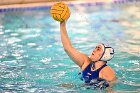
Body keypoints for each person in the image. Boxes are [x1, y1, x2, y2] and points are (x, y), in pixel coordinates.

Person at [60, 21, 117, 88]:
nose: (94, 50)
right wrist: (62, 24)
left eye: (98, 49)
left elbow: (111, 90)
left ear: (105, 55)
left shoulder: (107, 72)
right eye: (95, 48)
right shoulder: (85, 61)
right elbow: (67, 48)